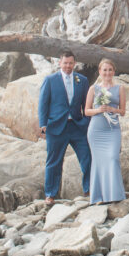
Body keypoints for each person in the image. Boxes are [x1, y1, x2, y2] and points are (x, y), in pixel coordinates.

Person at [38, 51, 92, 205]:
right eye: (65, 63)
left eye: (70, 63)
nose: (68, 66)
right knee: (54, 162)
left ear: (74, 63)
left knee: (87, 158)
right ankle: (50, 194)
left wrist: (86, 121)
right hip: (56, 127)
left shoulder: (82, 80)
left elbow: (86, 103)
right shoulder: (50, 80)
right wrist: (43, 124)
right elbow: (43, 103)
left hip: (77, 126)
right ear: (59, 63)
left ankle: (88, 189)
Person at [84, 58, 126, 204]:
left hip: (112, 129)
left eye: (110, 70)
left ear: (113, 71)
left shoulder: (119, 88)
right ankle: (99, 196)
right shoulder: (93, 89)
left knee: (113, 158)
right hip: (96, 130)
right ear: (100, 72)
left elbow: (123, 111)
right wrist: (98, 110)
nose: (107, 73)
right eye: (104, 70)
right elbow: (86, 111)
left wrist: (112, 109)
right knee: (98, 161)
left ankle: (114, 194)